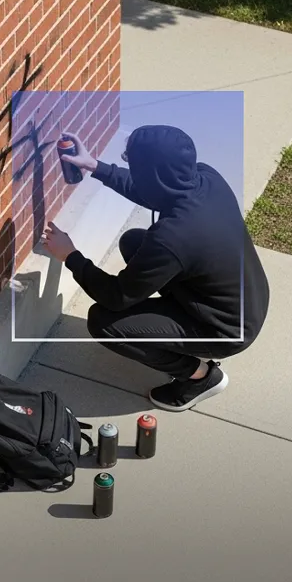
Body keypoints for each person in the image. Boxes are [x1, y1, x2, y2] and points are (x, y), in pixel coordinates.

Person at [39, 124, 270, 412]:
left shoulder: (174, 236)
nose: (129, 165)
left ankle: (200, 377)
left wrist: (71, 256)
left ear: (152, 175)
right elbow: (154, 190)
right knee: (134, 242)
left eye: (131, 161)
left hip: (225, 329)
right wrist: (96, 167)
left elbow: (114, 296)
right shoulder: (207, 178)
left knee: (105, 323)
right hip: (244, 300)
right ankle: (175, 328)